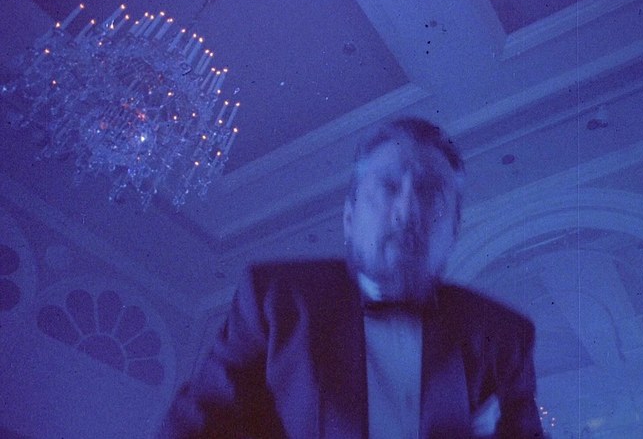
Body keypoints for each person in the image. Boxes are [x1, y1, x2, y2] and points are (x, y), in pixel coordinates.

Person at [159, 118, 542, 438]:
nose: (408, 209)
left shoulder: (504, 337)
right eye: (389, 186)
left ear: (454, 231)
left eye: (430, 192)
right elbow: (196, 427)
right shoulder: (274, 300)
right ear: (349, 218)